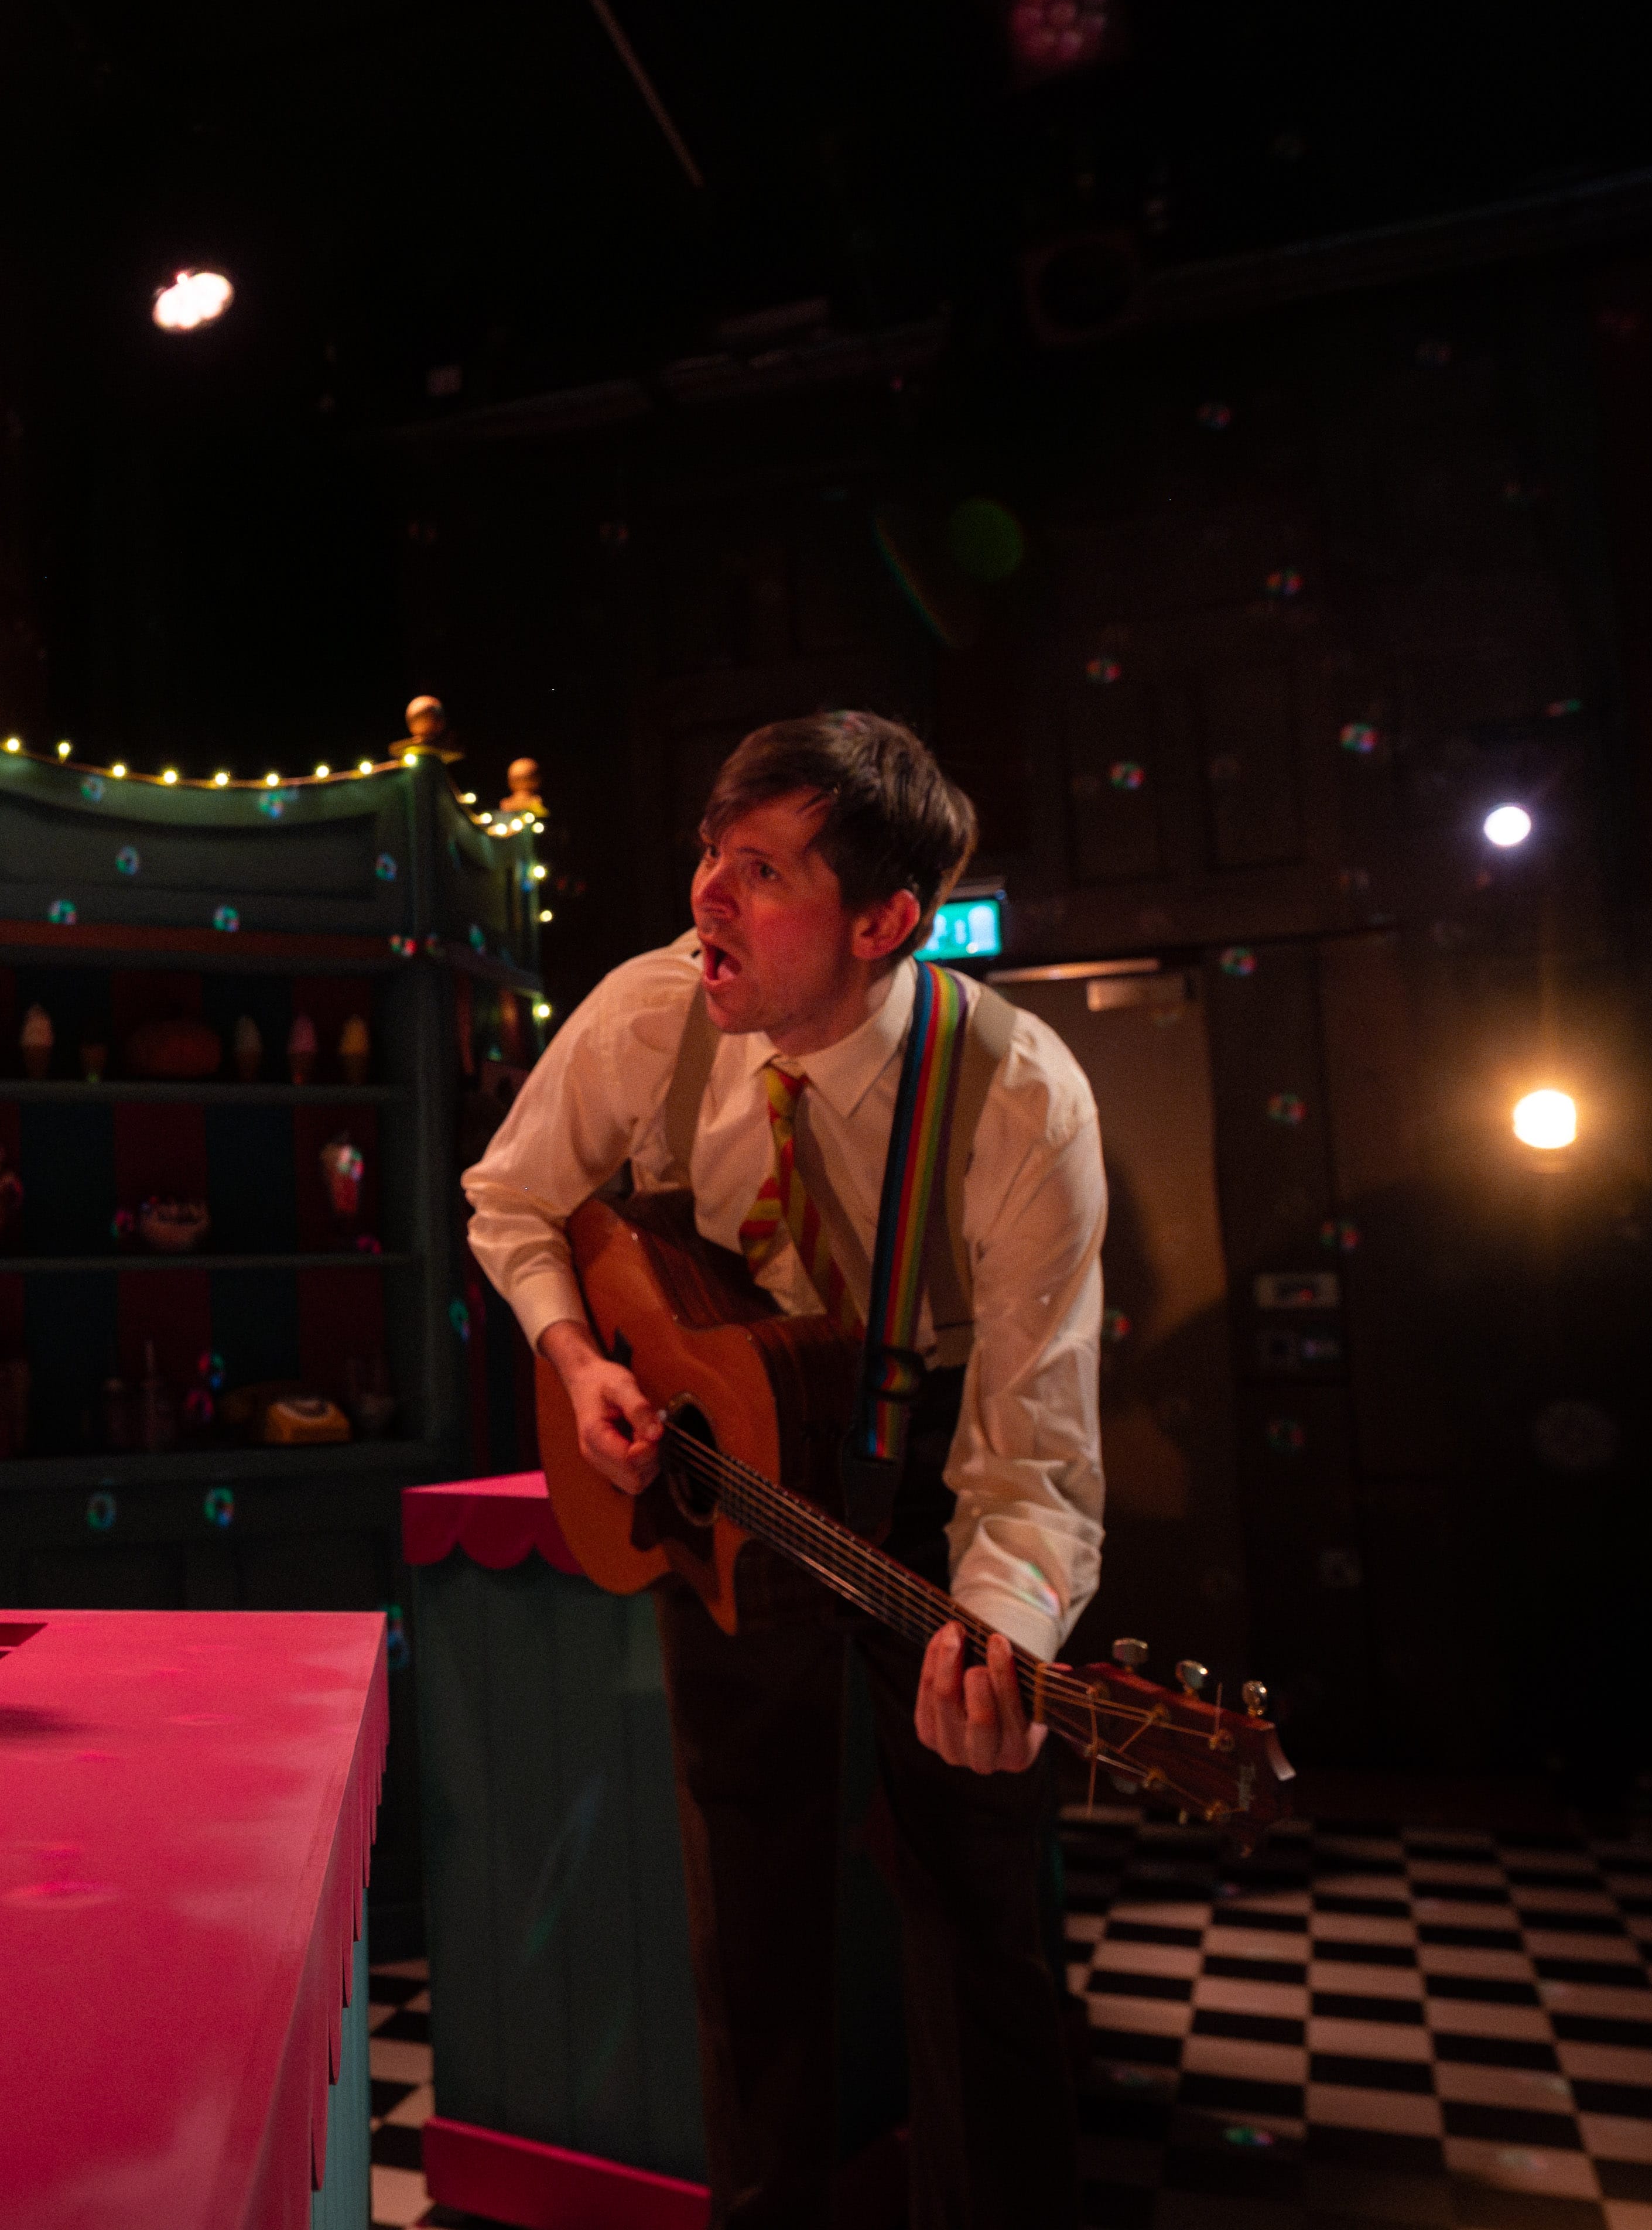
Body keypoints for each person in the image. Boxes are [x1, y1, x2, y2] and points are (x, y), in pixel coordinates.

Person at [461, 712, 1103, 2229]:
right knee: (749, 1925)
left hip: (935, 1483)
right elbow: (510, 1205)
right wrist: (578, 1358)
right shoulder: (647, 1017)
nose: (706, 896)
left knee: (975, 1924)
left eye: (760, 870)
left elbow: (1038, 1445)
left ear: (886, 923)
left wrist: (1001, 1638)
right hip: (722, 1479)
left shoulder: (1022, 1099)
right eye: (709, 851)